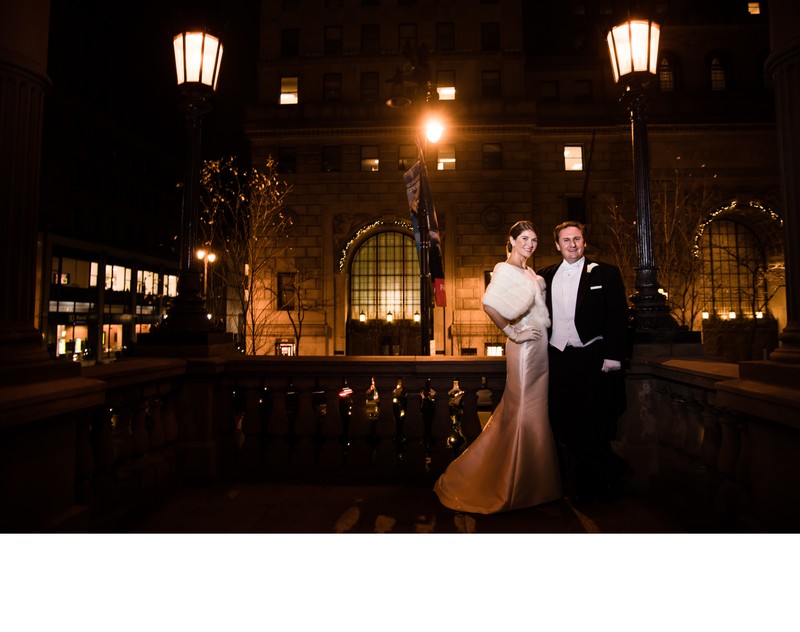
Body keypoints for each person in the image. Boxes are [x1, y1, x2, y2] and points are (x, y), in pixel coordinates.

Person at [434, 221, 562, 514]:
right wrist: (514, 333)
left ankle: (534, 481)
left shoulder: (529, 271)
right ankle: (514, 482)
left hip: (540, 347)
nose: (530, 244)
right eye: (525, 239)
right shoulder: (504, 269)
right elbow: (488, 304)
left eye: (534, 239)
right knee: (522, 410)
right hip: (525, 347)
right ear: (512, 240)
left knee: (534, 410)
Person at [538, 221, 631, 505]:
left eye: (577, 239)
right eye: (566, 240)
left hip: (592, 359)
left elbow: (618, 317)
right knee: (562, 422)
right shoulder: (545, 276)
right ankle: (570, 485)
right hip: (557, 360)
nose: (572, 244)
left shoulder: (606, 273)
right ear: (557, 245)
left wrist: (613, 357)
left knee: (594, 423)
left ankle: (596, 489)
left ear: (584, 242)